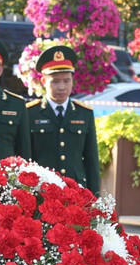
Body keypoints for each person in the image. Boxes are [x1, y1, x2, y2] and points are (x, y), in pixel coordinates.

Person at [27, 45, 100, 192]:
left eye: (66, 81)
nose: (61, 87)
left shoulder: (84, 113)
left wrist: (94, 200)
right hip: (42, 189)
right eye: (55, 81)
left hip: (76, 189)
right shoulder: (30, 113)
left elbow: (91, 161)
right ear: (44, 82)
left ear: (73, 81)